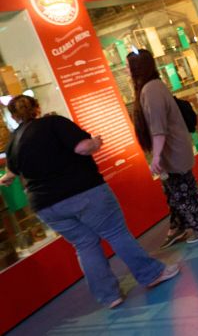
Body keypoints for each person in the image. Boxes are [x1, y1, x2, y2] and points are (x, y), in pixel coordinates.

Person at [0, 95, 179, 308]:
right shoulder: (54, 123)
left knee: (84, 245)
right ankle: (151, 274)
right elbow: (82, 148)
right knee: (116, 233)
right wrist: (96, 142)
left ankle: (109, 296)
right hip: (82, 191)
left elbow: (10, 175)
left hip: (46, 206)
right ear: (37, 107)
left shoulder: (14, 142)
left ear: (13, 116)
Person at [127, 49, 198, 247]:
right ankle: (185, 226)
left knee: (184, 191)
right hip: (175, 149)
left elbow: (158, 127)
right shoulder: (154, 86)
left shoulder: (150, 90)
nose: (127, 72)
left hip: (172, 152)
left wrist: (157, 158)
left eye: (129, 68)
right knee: (181, 190)